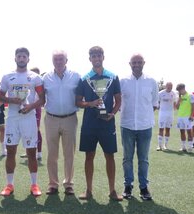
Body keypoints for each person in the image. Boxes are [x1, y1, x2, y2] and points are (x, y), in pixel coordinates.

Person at [76, 46, 123, 201]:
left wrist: (113, 114)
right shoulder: (84, 79)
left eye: (99, 55)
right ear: (89, 59)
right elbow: (78, 102)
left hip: (107, 123)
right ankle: (88, 190)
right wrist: (91, 103)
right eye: (93, 56)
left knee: (109, 156)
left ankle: (112, 190)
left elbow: (118, 100)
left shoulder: (113, 77)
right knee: (89, 156)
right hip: (89, 123)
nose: (96, 58)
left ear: (103, 57)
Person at [0, 47, 45, 197]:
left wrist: (30, 106)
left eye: (24, 56)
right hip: (12, 119)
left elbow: (42, 99)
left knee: (31, 152)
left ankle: (34, 184)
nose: (22, 58)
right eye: (19, 56)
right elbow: (0, 96)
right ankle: (9, 185)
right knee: (11, 151)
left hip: (29, 119)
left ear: (28, 59)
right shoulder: (7, 77)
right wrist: (11, 100)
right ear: (15, 58)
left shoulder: (35, 77)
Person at [120, 54, 158, 201]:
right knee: (127, 158)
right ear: (129, 63)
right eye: (134, 62)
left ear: (144, 63)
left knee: (143, 159)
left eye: (139, 62)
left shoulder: (152, 82)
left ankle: (143, 187)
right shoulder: (123, 81)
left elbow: (154, 104)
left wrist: (143, 117)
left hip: (145, 126)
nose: (136, 64)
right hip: (127, 125)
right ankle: (128, 186)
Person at [43, 50, 81, 195]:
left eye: (61, 59)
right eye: (56, 59)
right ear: (52, 61)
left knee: (69, 153)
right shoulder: (46, 77)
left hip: (70, 118)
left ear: (66, 60)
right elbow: (40, 97)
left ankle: (68, 184)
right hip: (51, 118)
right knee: (52, 154)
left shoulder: (76, 76)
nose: (58, 61)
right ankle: (53, 184)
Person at [20, 67, 43, 161]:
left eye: (36, 73)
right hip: (27, 107)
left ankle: (39, 153)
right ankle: (28, 151)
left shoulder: (40, 83)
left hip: (36, 108)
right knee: (27, 129)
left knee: (36, 130)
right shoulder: (28, 82)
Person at [175, 83, 194, 153]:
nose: (179, 92)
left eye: (179, 90)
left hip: (187, 117)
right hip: (180, 117)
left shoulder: (190, 95)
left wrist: (191, 115)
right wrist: (178, 101)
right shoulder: (179, 97)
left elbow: (193, 106)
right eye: (178, 91)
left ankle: (190, 147)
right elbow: (176, 107)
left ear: (183, 89)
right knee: (182, 132)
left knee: (189, 132)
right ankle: (183, 147)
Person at [157, 82, 177, 151]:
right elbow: (157, 102)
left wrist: (175, 108)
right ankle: (159, 145)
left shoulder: (174, 93)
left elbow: (175, 103)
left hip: (170, 114)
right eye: (168, 86)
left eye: (171, 86)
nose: (169, 87)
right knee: (161, 129)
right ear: (166, 86)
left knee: (168, 129)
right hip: (162, 114)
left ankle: (165, 145)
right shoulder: (160, 93)